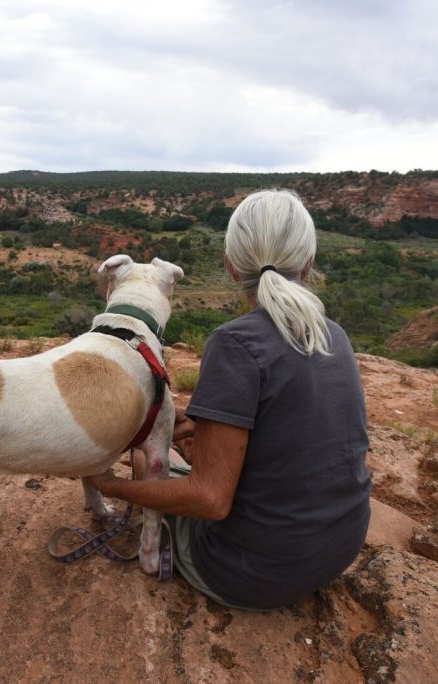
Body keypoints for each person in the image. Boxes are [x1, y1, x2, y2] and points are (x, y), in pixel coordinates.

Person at [85, 189, 371, 611]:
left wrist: (109, 485)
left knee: (147, 462)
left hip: (248, 573)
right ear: (308, 264)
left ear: (230, 267)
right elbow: (282, 417)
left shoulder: (235, 342)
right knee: (175, 450)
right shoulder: (335, 335)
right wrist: (194, 423)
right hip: (338, 550)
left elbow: (210, 499)